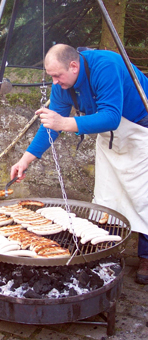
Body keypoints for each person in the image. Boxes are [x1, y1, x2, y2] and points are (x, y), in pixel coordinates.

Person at [10, 44, 148, 284]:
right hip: (111, 136)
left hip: (141, 128)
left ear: (74, 66)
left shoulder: (107, 66)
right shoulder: (64, 85)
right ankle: (108, 246)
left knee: (144, 198)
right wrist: (25, 159)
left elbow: (111, 117)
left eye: (56, 75)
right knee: (107, 195)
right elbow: (51, 126)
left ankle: (146, 256)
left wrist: (65, 122)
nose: (54, 82)